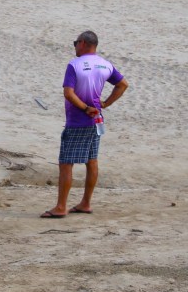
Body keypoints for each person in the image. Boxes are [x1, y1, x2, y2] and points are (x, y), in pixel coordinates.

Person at [40, 30, 128, 219]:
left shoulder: (74, 65)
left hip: (78, 120)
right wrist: (105, 104)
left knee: (66, 163)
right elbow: (122, 85)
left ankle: (61, 206)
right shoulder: (105, 64)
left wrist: (85, 107)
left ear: (83, 43)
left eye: (76, 43)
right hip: (96, 120)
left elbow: (69, 93)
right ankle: (86, 203)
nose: (75, 47)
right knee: (91, 160)